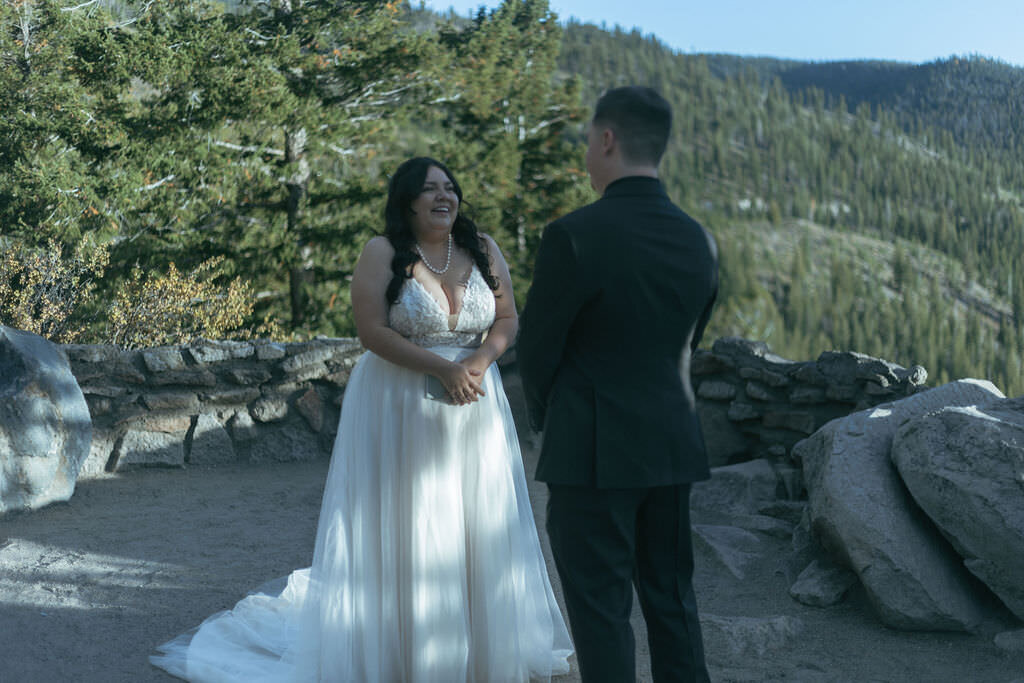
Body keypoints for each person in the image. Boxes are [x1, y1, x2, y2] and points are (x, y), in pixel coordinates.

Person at [151, 157, 572, 681]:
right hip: (401, 401)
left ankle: (480, 648)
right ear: (407, 201)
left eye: (450, 187)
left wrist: (477, 363)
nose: (443, 197)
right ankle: (409, 651)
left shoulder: (483, 248)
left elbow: (508, 317)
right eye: (429, 189)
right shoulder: (382, 252)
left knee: (476, 519)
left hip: (476, 402)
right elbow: (372, 332)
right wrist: (442, 368)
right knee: (414, 519)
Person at [517, 86, 719, 683]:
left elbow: (539, 348)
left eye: (588, 140)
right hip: (674, 445)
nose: (586, 153)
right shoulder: (700, 240)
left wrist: (551, 417)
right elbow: (689, 342)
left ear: (607, 140)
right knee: (673, 600)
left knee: (601, 611)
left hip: (592, 451)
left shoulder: (573, 235)